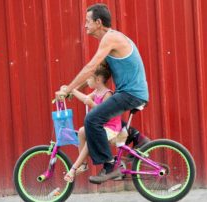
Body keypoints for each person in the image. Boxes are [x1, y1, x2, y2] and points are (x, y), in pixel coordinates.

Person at [55, 3, 149, 184]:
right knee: (103, 116)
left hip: (131, 93)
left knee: (92, 120)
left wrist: (68, 89)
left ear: (98, 22)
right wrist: (71, 91)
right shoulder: (110, 40)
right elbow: (96, 72)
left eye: (87, 21)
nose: (85, 25)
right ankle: (137, 138)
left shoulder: (110, 38)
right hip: (130, 92)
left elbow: (90, 67)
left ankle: (110, 165)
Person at [63, 63, 122, 182]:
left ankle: (74, 168)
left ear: (98, 79)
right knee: (81, 131)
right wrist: (71, 91)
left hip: (111, 128)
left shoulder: (107, 94)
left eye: (89, 78)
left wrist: (91, 104)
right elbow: (85, 98)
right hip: (101, 127)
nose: (87, 81)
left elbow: (103, 113)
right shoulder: (96, 92)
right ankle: (83, 164)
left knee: (91, 137)